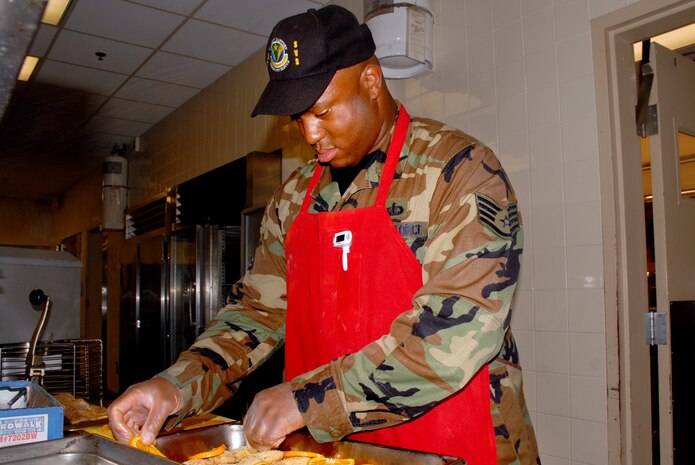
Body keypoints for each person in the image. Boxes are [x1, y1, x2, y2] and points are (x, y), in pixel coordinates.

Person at [107, 5, 540, 465]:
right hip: (330, 449)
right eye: (298, 117)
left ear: (371, 82)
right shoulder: (295, 196)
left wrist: (309, 400)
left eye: (321, 111)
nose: (310, 133)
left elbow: (454, 333)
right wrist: (176, 387)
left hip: (454, 439)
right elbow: (257, 314)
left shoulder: (460, 172)